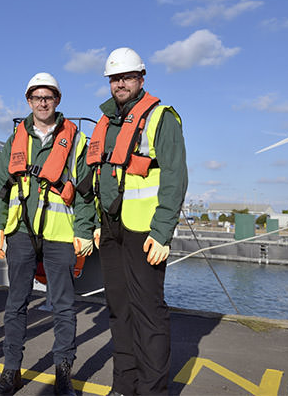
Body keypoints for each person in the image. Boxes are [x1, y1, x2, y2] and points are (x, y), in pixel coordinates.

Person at [82, 47, 188, 395]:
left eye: (127, 77)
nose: (120, 84)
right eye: (115, 78)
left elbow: (174, 177)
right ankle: (123, 385)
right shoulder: (105, 123)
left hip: (145, 233)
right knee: (119, 310)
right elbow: (101, 178)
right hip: (112, 230)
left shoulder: (161, 118)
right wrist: (98, 222)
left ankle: (152, 390)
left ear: (141, 78)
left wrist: (162, 233)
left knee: (149, 313)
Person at [0, 73, 95, 396]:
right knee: (15, 303)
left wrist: (85, 230)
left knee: (63, 306)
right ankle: (11, 371)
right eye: (36, 97)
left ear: (57, 101)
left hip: (60, 234)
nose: (42, 102)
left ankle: (63, 373)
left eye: (48, 97)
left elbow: (87, 192)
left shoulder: (76, 141)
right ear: (29, 102)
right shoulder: (15, 140)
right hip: (20, 232)